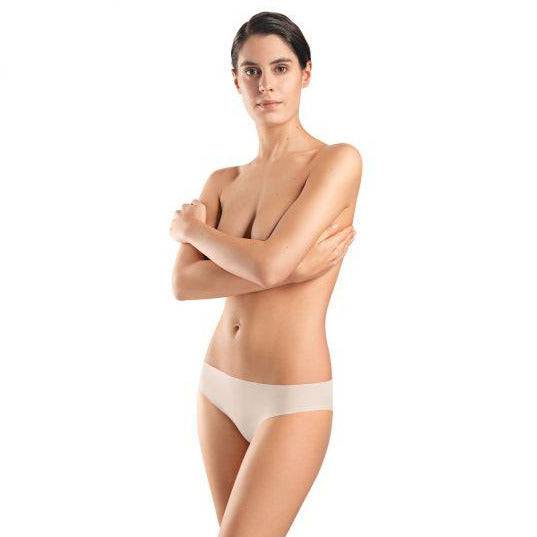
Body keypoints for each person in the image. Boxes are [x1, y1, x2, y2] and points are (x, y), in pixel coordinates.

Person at [169, 11, 362, 537]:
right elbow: (184, 284)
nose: (266, 85)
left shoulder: (335, 161)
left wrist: (195, 231)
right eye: (251, 71)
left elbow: (270, 264)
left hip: (290, 395)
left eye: (280, 68)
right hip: (218, 385)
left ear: (305, 73)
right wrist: (288, 270)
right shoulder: (223, 180)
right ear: (236, 81)